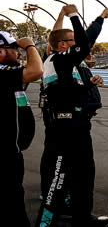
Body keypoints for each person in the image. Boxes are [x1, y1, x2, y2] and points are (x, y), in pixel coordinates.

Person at [36, 4, 108, 227]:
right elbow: (84, 44)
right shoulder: (57, 60)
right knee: (59, 176)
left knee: (85, 173)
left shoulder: (69, 64)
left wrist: (88, 82)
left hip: (78, 124)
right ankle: (46, 220)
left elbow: (67, 89)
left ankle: (82, 217)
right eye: (72, 41)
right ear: (62, 45)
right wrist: (74, 17)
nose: (76, 44)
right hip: (64, 126)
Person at [1, 32, 42, 227]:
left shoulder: (8, 72)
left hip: (13, 150)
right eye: (13, 49)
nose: (18, 53)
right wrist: (29, 45)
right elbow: (35, 71)